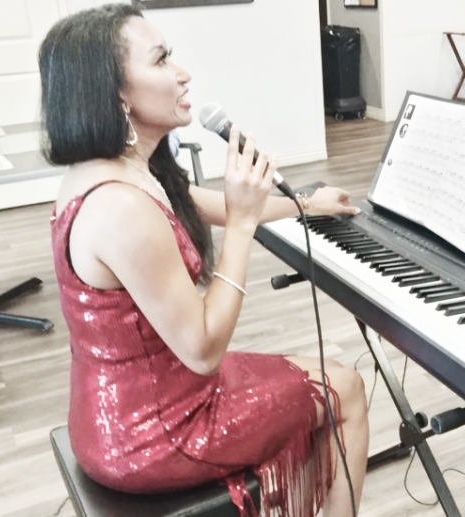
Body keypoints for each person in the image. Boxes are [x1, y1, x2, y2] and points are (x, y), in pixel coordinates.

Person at [39, 5, 369, 517]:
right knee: (345, 388)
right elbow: (203, 349)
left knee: (323, 379)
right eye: (162, 60)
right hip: (154, 435)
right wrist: (241, 224)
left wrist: (303, 203)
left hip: (116, 410)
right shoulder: (120, 207)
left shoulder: (114, 170)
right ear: (117, 93)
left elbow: (194, 201)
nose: (183, 72)